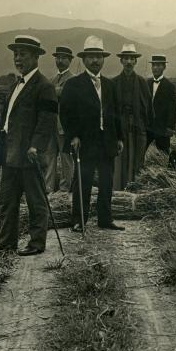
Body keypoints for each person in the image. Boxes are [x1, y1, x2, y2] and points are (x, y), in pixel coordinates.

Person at [0, 35, 58, 256]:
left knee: (36, 201)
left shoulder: (44, 86)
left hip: (29, 155)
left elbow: (47, 120)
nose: (18, 59)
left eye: (23, 54)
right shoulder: (15, 85)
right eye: (16, 54)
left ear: (36, 57)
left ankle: (37, 243)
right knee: (7, 202)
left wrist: (36, 147)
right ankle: (6, 243)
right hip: (10, 156)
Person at [60, 36, 125, 232]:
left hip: (107, 141)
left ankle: (105, 219)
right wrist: (73, 136)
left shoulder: (110, 85)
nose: (95, 60)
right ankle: (79, 219)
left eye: (98, 56)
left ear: (103, 59)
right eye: (91, 56)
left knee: (106, 181)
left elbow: (116, 113)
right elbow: (66, 113)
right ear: (84, 59)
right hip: (84, 142)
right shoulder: (73, 85)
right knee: (83, 181)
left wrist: (119, 137)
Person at [112, 43, 153, 190]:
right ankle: (119, 192)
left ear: (135, 61)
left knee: (137, 162)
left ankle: (134, 192)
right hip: (119, 129)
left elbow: (148, 110)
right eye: (126, 59)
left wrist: (145, 129)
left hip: (138, 128)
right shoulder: (114, 83)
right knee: (120, 161)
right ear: (121, 61)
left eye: (131, 59)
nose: (129, 62)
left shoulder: (142, 83)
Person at [42, 45, 75, 193]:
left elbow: (64, 94)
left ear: (70, 61)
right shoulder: (51, 79)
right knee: (49, 157)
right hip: (50, 125)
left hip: (64, 126)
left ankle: (66, 188)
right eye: (58, 58)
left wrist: (51, 91)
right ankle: (48, 188)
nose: (60, 61)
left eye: (63, 58)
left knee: (66, 157)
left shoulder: (73, 80)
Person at [146, 54, 176, 155]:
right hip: (147, 125)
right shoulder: (146, 83)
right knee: (141, 150)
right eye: (153, 65)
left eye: (158, 65)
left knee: (163, 153)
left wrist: (170, 127)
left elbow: (172, 108)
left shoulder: (170, 86)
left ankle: (164, 170)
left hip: (162, 127)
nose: (155, 68)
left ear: (164, 67)